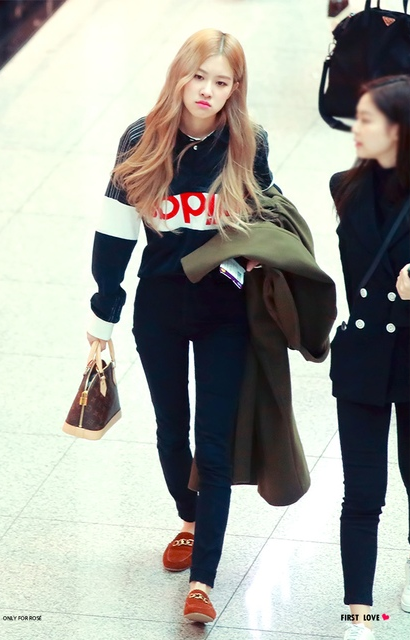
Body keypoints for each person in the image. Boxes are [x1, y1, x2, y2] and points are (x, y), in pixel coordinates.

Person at [84, 28, 273, 623]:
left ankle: (203, 581)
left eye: (222, 82)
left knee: (213, 443)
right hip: (160, 305)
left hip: (226, 310)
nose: (207, 91)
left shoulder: (248, 141)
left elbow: (271, 213)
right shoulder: (141, 137)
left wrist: (259, 255)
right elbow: (115, 229)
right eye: (199, 77)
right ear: (179, 76)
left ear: (235, 88)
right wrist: (103, 312)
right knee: (172, 431)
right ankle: (188, 519)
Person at [328, 75, 410, 640]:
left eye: (365, 119)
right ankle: (358, 613)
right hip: (360, 356)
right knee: (361, 491)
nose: (354, 128)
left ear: (398, 129)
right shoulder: (344, 187)